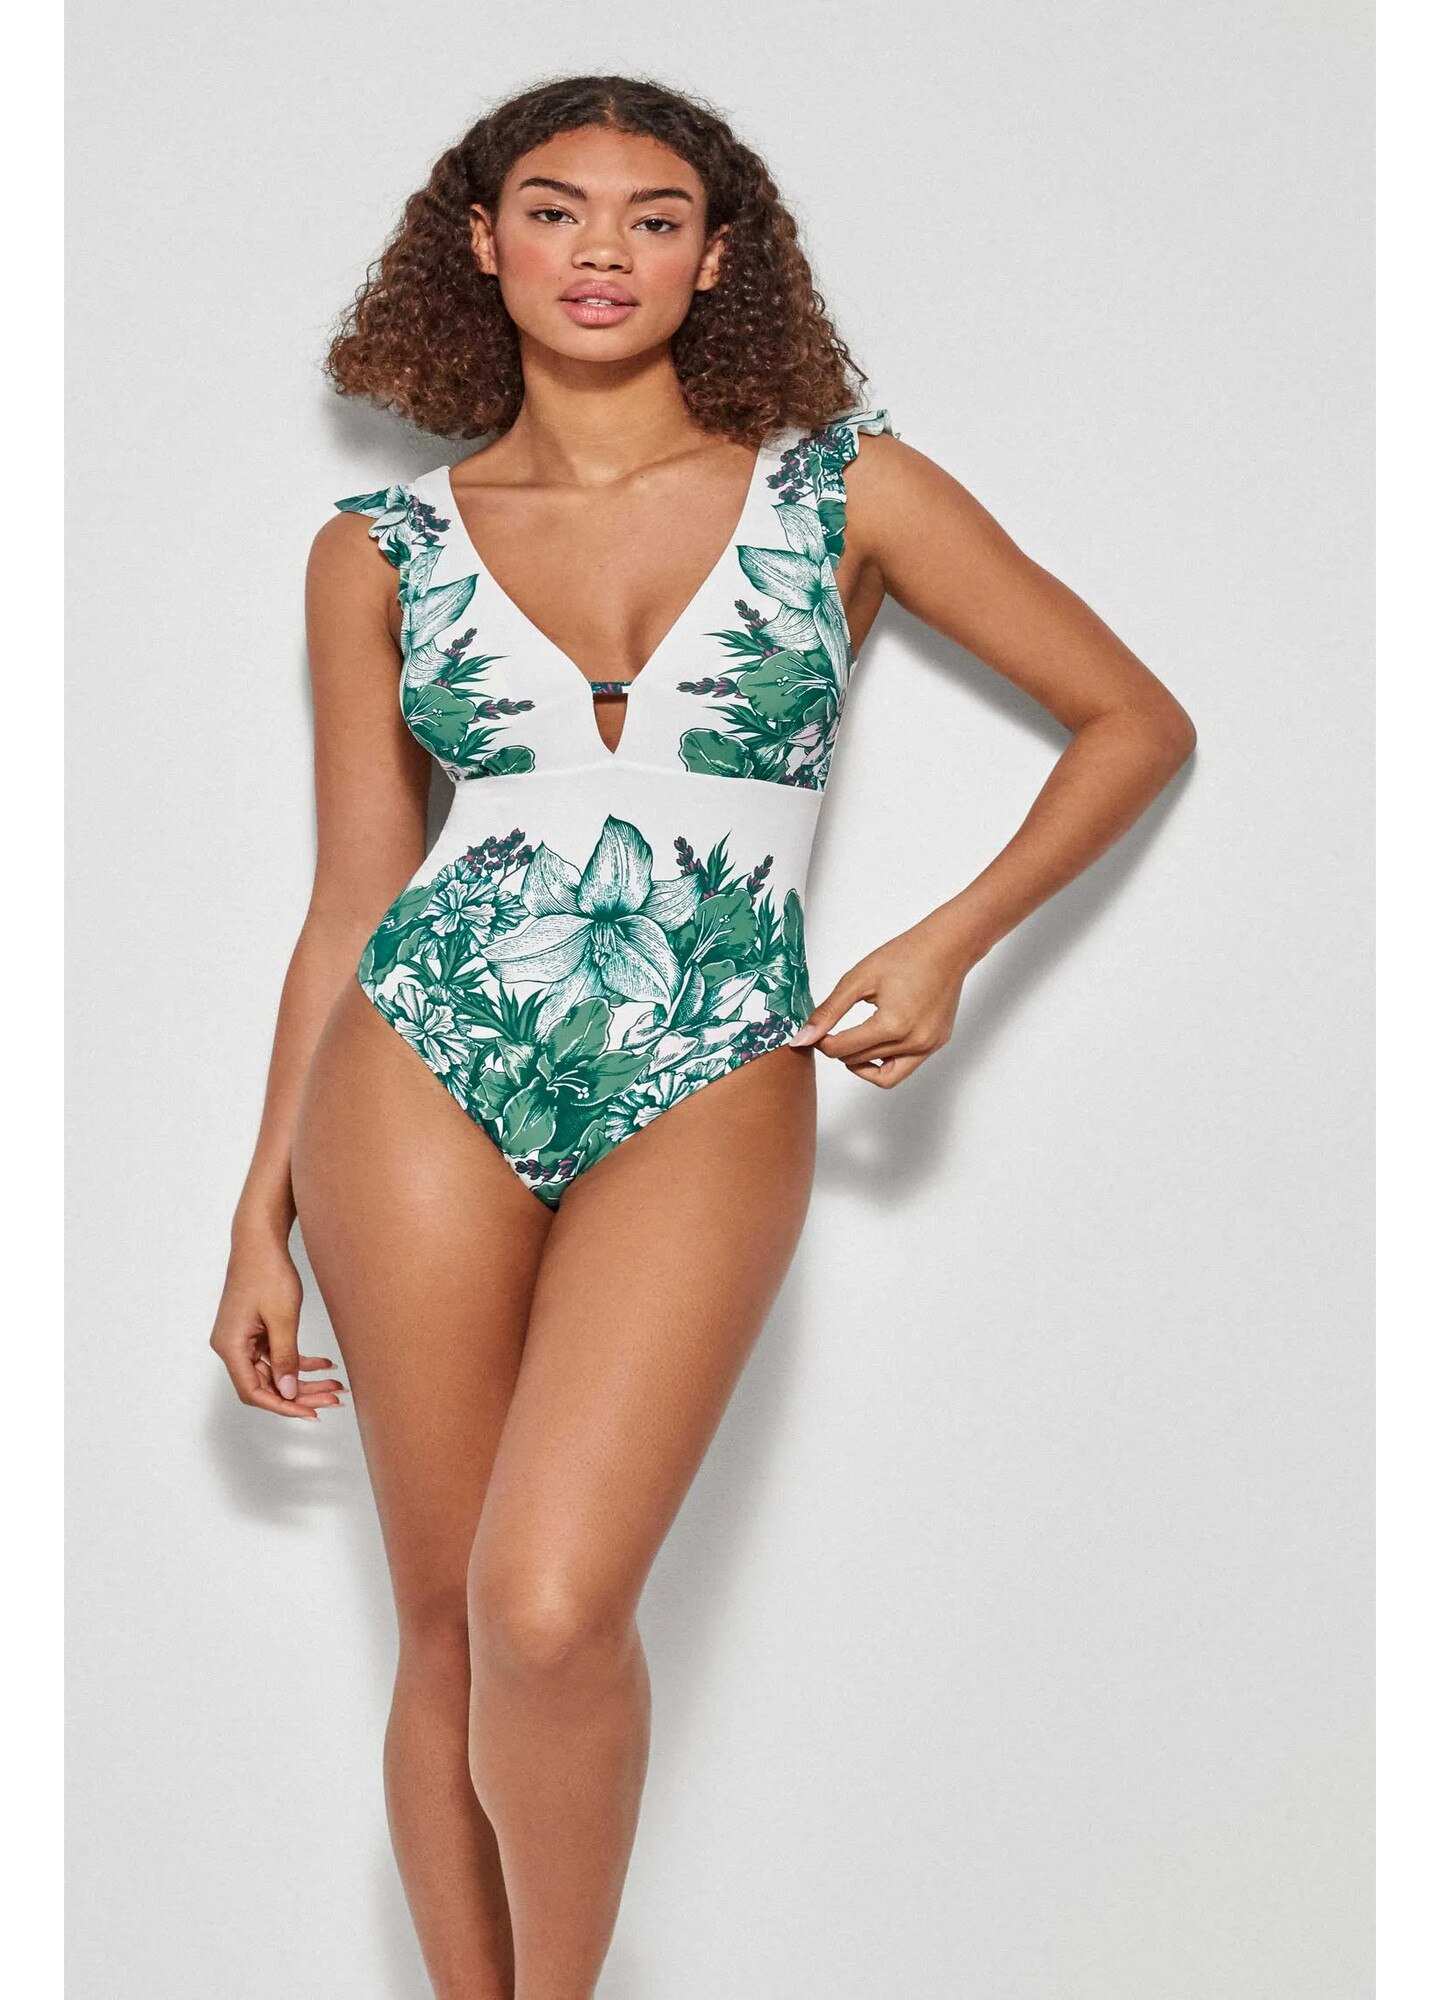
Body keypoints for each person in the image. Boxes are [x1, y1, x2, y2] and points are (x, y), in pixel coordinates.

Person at [208, 72, 1196, 2000]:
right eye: (556, 209)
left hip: (714, 1059)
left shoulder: (848, 491)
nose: (604, 251)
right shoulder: (379, 549)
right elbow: (350, 899)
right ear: (480, 242)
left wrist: (950, 943)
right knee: (443, 1621)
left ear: (716, 258)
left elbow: (1134, 721)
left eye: (654, 217)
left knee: (548, 1610)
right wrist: (261, 1211)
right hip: (415, 1064)